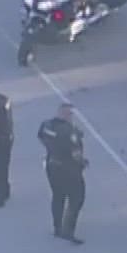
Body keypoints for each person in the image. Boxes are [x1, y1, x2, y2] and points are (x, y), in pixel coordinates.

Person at [38, 102, 88, 244]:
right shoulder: (69, 131)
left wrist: (54, 149)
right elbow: (75, 152)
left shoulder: (46, 125)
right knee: (76, 197)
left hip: (52, 165)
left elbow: (41, 137)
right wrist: (82, 162)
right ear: (67, 115)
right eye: (71, 114)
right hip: (69, 169)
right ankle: (68, 230)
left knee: (58, 195)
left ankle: (57, 226)